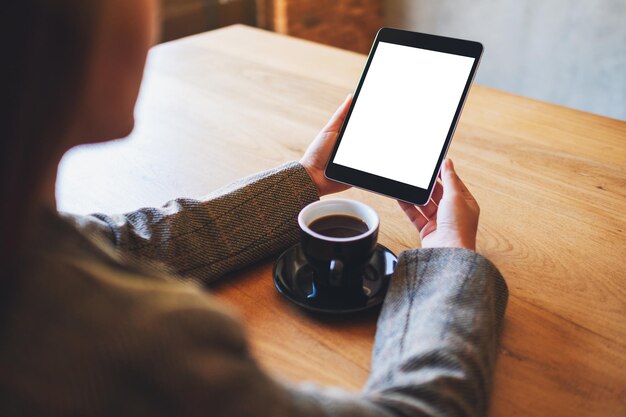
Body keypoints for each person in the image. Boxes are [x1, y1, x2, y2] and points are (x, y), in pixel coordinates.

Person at [0, 1, 508, 416]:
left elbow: (125, 242)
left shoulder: (22, 232)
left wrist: (304, 181)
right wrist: (450, 262)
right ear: (52, 34)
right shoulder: (139, 341)